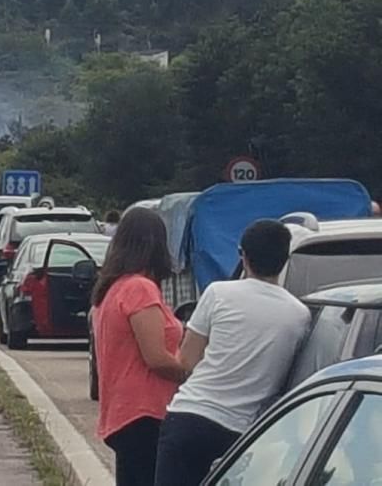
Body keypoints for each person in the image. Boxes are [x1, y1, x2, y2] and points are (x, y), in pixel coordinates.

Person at [154, 220, 311, 486]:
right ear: (285, 260)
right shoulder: (300, 315)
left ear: (243, 256)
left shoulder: (218, 293)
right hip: (242, 434)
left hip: (189, 417)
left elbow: (186, 360)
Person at [91, 207, 185, 486]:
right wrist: (191, 372)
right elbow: (156, 358)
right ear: (155, 245)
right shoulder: (140, 289)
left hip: (123, 412)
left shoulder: (111, 290)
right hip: (146, 412)